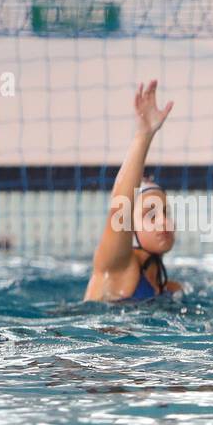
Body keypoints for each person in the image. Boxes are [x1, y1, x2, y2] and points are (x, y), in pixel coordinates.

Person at [84, 81, 183, 302]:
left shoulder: (171, 289)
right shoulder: (117, 268)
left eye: (166, 213)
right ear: (129, 225)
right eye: (150, 215)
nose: (164, 223)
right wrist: (144, 135)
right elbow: (120, 206)